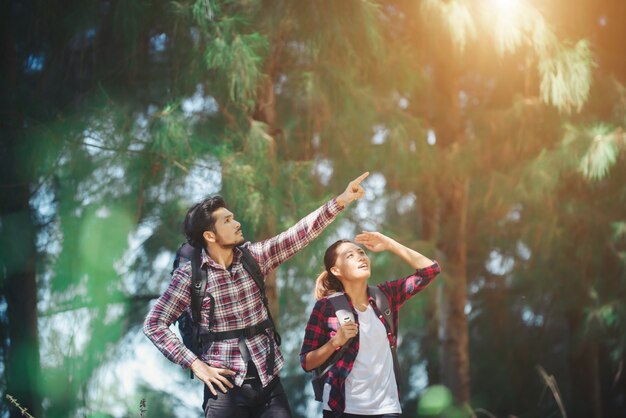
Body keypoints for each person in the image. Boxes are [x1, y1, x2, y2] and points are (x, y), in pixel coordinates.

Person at [143, 172, 370, 418]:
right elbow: (154, 323)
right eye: (227, 221)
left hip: (269, 383)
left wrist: (341, 201)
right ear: (210, 236)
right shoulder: (189, 277)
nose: (237, 223)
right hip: (225, 389)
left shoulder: (254, 258)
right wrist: (195, 364)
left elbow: (298, 234)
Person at [300, 231, 441, 417]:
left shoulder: (385, 296)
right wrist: (335, 342)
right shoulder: (326, 307)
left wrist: (390, 243)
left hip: (387, 408)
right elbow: (307, 362)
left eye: (361, 253)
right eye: (350, 255)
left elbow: (430, 270)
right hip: (342, 407)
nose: (360, 258)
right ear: (336, 271)